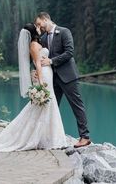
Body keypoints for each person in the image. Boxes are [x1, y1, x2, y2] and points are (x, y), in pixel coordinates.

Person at [0, 23, 67, 151]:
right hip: (43, 75)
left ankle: (48, 138)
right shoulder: (33, 45)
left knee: (47, 104)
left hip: (47, 73)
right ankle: (45, 138)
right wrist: (41, 80)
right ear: (33, 32)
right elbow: (37, 63)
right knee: (43, 104)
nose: (39, 28)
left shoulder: (38, 42)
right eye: (36, 27)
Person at [35, 12, 91, 148]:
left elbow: (69, 52)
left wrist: (51, 61)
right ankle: (49, 137)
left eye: (39, 23)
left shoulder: (65, 32)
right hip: (53, 79)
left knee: (77, 106)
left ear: (46, 19)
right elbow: (40, 56)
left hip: (68, 77)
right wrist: (37, 71)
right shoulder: (43, 38)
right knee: (50, 107)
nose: (39, 26)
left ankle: (85, 137)